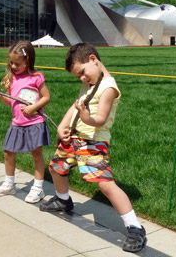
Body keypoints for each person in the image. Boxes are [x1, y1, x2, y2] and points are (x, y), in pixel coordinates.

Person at [39, 42, 147, 253]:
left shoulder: (108, 88)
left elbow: (100, 119)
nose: (82, 78)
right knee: (56, 168)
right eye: (78, 76)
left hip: (93, 142)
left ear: (92, 59)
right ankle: (63, 201)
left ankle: (135, 227)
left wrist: (86, 117)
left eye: (82, 73)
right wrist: (62, 126)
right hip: (74, 138)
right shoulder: (90, 83)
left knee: (105, 184)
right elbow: (76, 104)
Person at [0, 40, 51, 203]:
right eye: (11, 62)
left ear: (28, 61)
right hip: (17, 123)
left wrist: (33, 108)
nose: (14, 66)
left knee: (36, 154)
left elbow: (46, 97)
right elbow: (13, 102)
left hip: (34, 123)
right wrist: (0, 96)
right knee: (8, 153)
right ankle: (9, 184)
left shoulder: (36, 77)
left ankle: (38, 188)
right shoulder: (13, 79)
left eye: (18, 64)